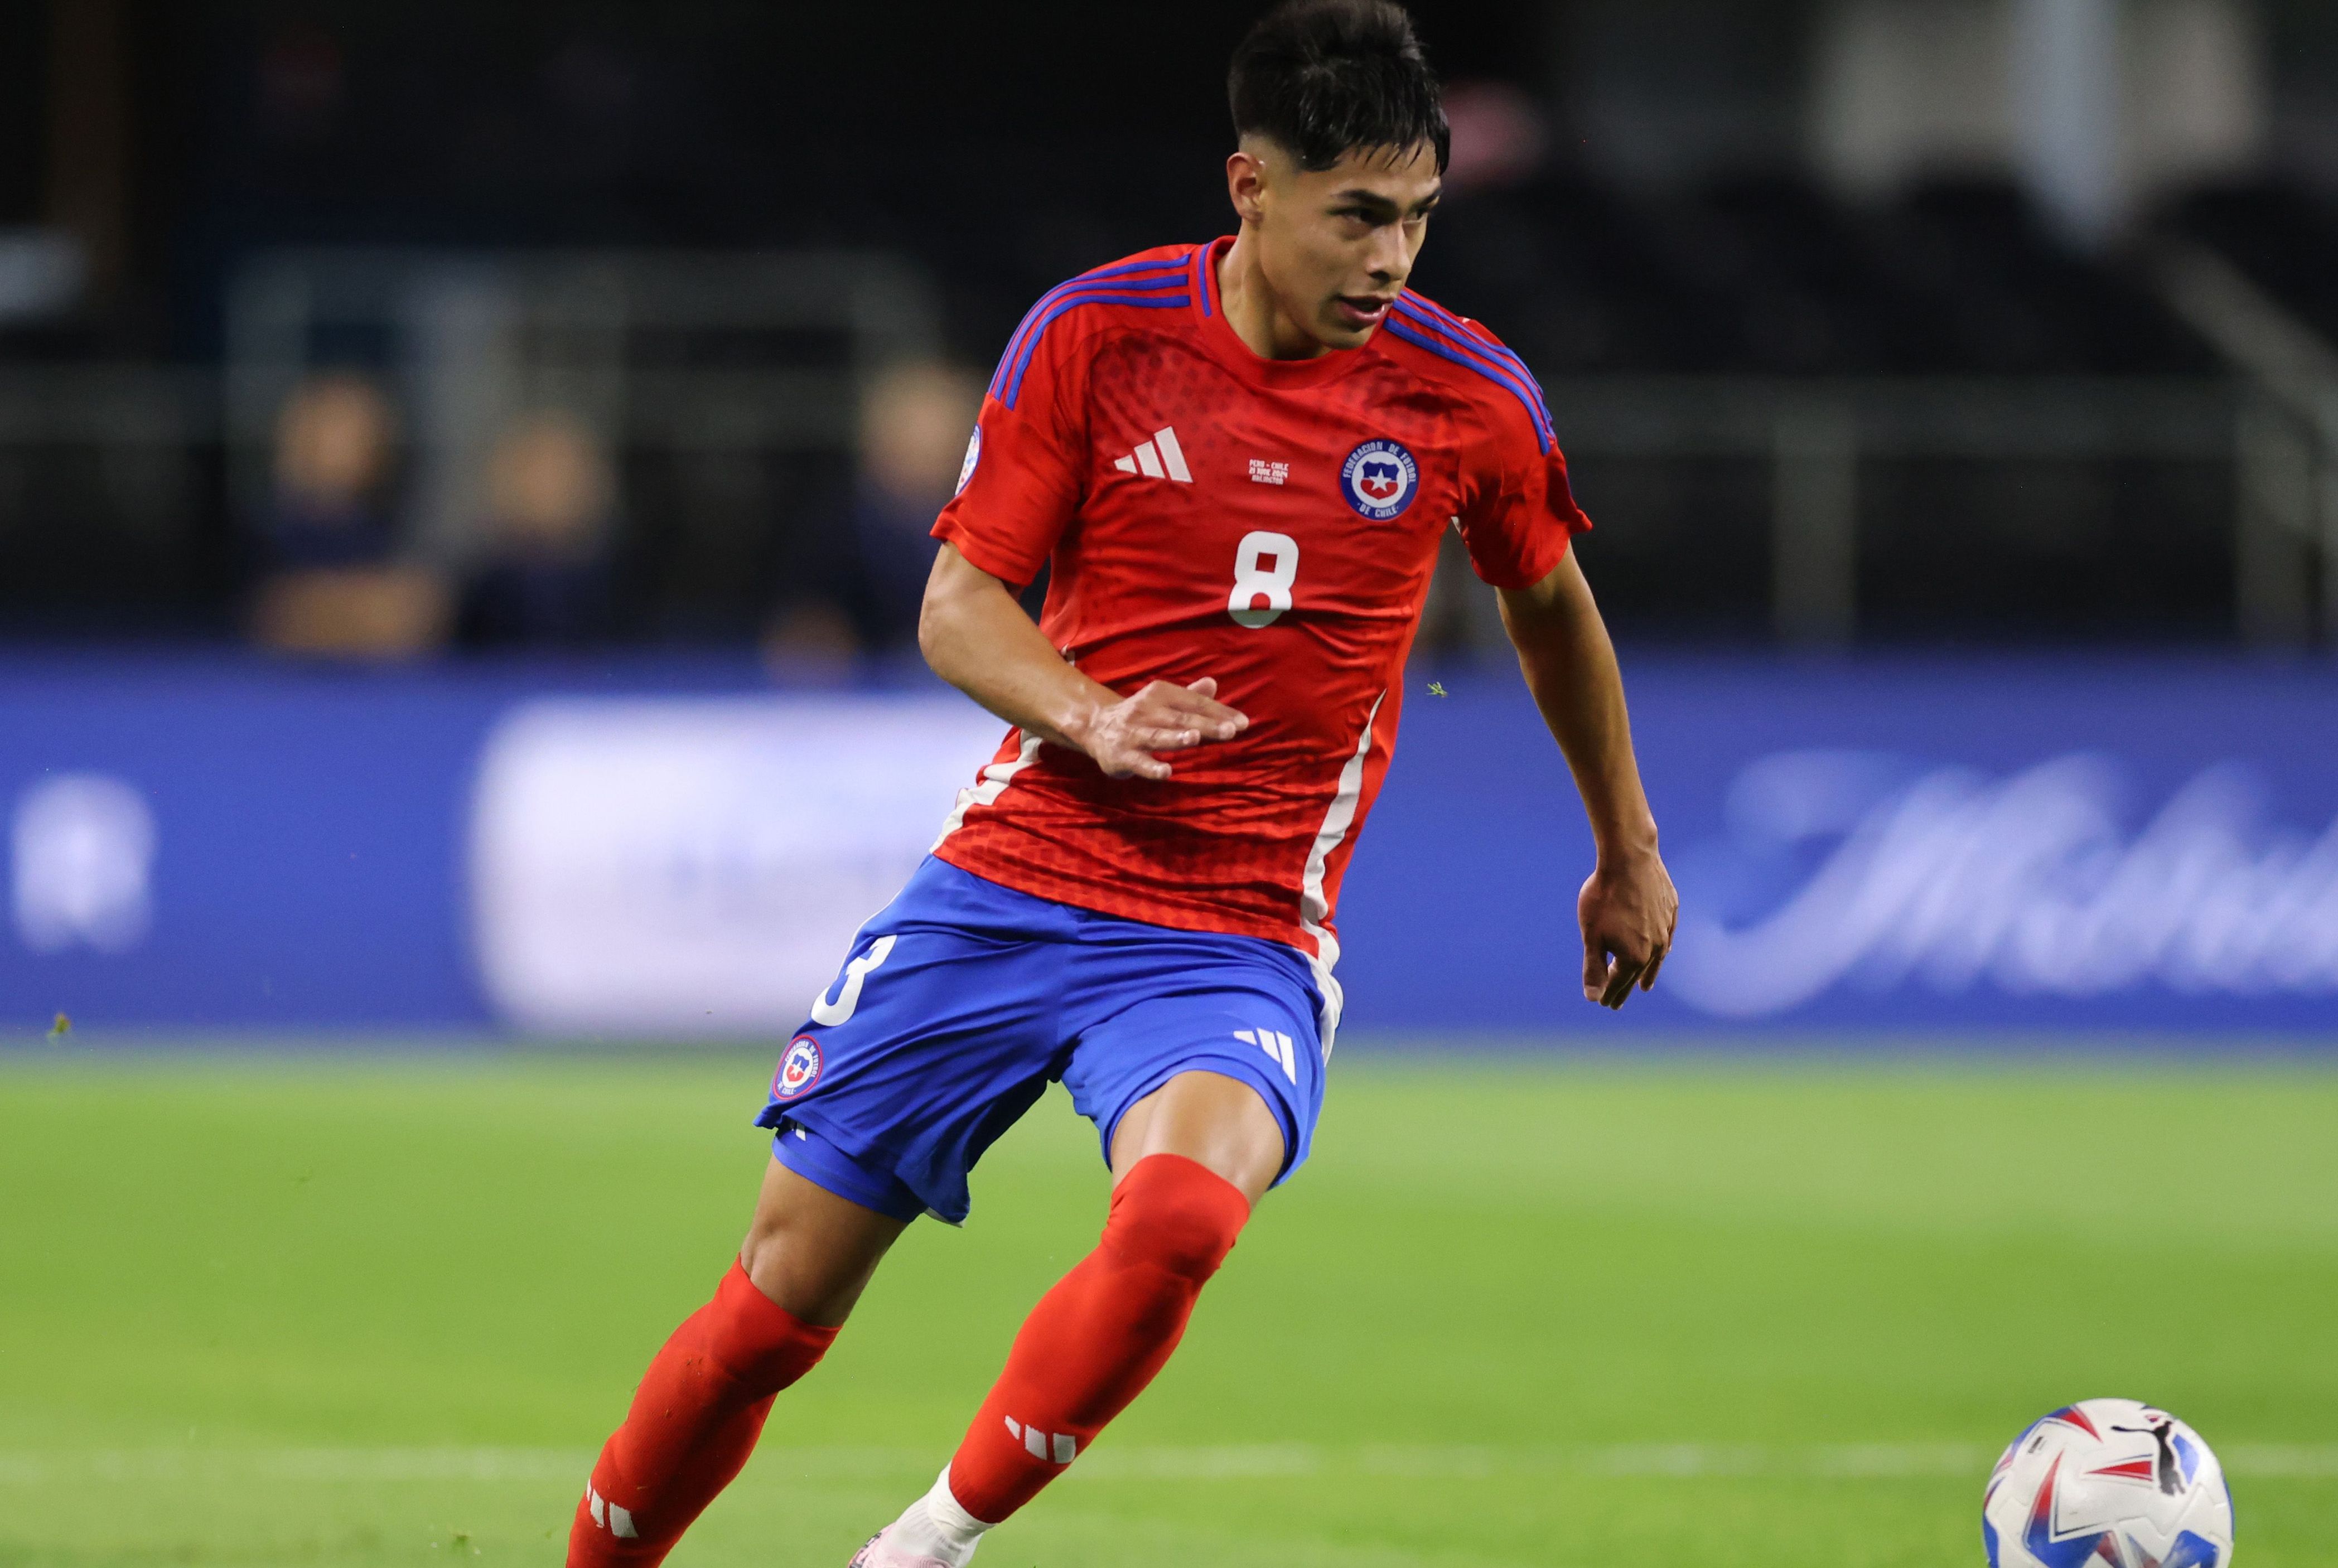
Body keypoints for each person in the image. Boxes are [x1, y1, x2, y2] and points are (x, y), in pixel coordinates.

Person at [564, 4, 1678, 1565]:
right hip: (1010, 883)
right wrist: (1087, 710)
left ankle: (924, 1543)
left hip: (1234, 929)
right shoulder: (1096, 335)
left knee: (1180, 1219)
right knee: (773, 1303)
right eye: (1356, 214)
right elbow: (958, 606)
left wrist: (1626, 845)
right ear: (1251, 187)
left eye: (1418, 219)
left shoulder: (1468, 397)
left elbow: (1551, 602)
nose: (1390, 259)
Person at [762, 362, 983, 673]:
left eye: (938, 448)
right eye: (908, 444)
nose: (922, 467)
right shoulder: (830, 537)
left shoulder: (1017, 533)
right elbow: (798, 640)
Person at [248, 372, 446, 657]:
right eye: (327, 431)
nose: (339, 447)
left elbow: (418, 614)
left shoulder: (396, 529)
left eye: (354, 433)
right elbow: (274, 617)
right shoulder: (261, 532)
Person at [455, 410, 619, 648]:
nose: (548, 487)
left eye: (561, 471)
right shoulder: (478, 591)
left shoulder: (624, 588)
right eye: (534, 470)